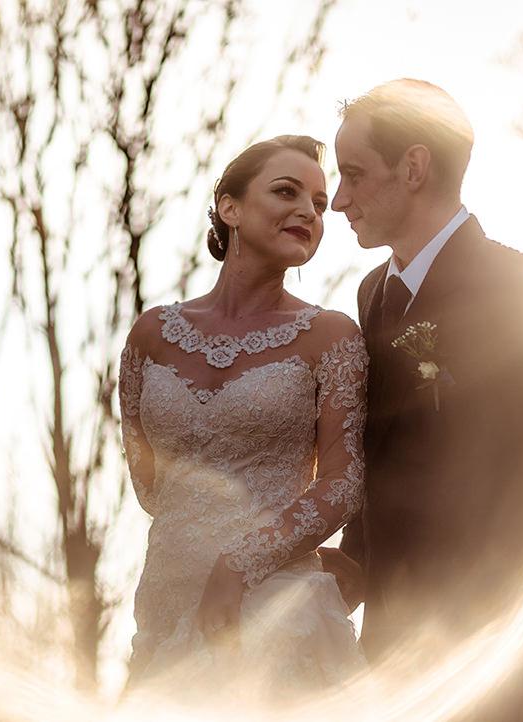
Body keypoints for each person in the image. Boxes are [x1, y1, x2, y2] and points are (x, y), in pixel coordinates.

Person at [325, 79, 523, 721]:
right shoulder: (372, 297)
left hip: (505, 664)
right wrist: (355, 564)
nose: (338, 199)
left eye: (352, 173)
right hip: (392, 664)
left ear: (413, 167)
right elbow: (383, 458)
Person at [118, 134, 368, 705]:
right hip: (166, 593)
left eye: (320, 203)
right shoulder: (150, 335)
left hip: (275, 601)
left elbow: (342, 482)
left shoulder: (332, 337)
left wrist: (244, 561)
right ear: (229, 207)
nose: (308, 210)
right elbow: (149, 486)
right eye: (287, 191)